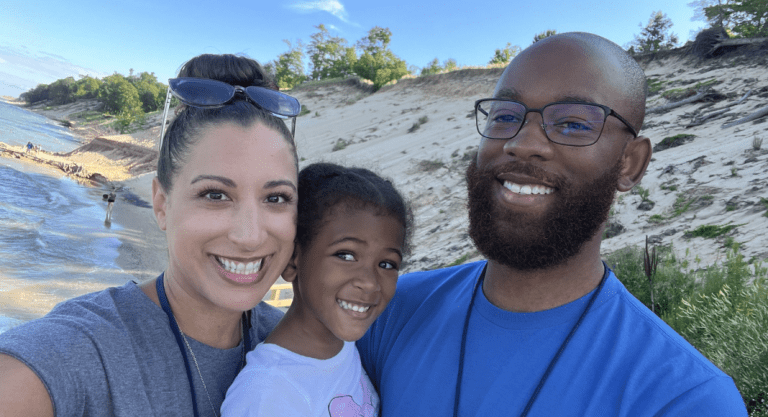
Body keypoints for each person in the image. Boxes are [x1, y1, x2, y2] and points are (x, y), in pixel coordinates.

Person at [357, 32, 747, 416]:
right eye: (506, 116)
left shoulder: (684, 398)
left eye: (573, 123)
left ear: (630, 163)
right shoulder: (385, 311)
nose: (523, 143)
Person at [0, 53, 302, 416]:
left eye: (276, 198)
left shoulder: (298, 346)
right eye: (215, 195)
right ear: (161, 204)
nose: (250, 236)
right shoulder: (87, 349)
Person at [221, 162, 413, 417]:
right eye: (345, 255)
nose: (370, 282)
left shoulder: (343, 348)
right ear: (292, 261)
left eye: (387, 264)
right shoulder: (268, 396)